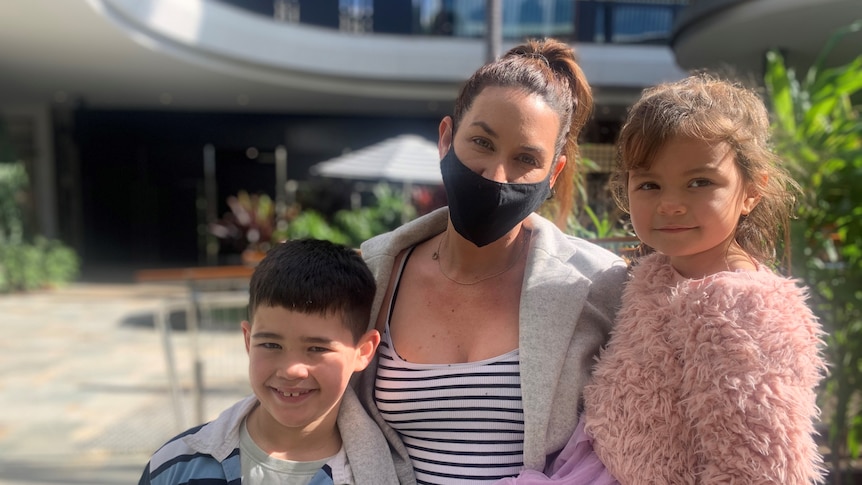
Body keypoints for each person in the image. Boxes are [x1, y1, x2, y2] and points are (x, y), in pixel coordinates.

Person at [500, 74, 828, 484]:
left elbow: (759, 468)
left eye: (700, 182)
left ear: (752, 191)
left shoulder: (743, 313)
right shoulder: (657, 272)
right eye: (650, 184)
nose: (670, 204)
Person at [355, 38, 629, 483]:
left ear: (553, 173)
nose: (496, 175)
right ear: (446, 138)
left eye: (526, 159)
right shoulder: (374, 273)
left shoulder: (598, 286)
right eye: (482, 142)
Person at [138, 239, 412, 485]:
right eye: (271, 345)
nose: (291, 369)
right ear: (248, 340)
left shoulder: (386, 475)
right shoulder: (174, 466)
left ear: (363, 351)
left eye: (316, 348)